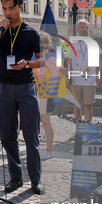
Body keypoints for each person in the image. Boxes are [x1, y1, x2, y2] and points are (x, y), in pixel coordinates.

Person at [0, 0, 46, 195]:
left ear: (20, 7)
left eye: (11, 8)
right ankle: (16, 177)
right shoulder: (0, 31)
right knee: (8, 136)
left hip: (26, 86)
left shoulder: (31, 32)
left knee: (31, 136)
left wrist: (28, 63)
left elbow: (42, 60)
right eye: (4, 8)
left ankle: (35, 179)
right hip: (3, 86)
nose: (7, 12)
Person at [68, 19, 102, 123]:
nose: (85, 29)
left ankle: (87, 130)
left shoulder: (94, 44)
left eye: (86, 27)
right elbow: (67, 59)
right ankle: (78, 131)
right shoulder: (72, 44)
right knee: (77, 105)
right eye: (82, 27)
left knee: (88, 105)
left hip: (89, 81)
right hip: (76, 80)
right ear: (77, 30)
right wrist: (69, 73)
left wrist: (99, 75)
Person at [37, 31, 64, 160]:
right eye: (42, 47)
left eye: (47, 47)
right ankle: (33, 148)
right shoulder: (32, 53)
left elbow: (62, 68)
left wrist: (64, 70)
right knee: (32, 121)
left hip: (46, 91)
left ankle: (49, 150)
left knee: (46, 120)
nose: (45, 50)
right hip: (32, 90)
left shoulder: (54, 54)